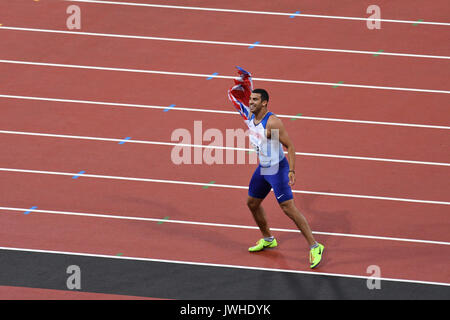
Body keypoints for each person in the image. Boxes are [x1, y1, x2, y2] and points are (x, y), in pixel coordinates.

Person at [228, 66, 324, 269]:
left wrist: (292, 170)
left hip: (278, 169)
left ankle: (315, 246)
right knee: (252, 203)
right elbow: (236, 96)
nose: (250, 102)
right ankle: (268, 238)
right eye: (250, 99)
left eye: (255, 100)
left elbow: (290, 146)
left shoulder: (273, 123)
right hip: (263, 169)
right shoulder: (248, 116)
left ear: (264, 103)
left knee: (288, 208)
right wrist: (245, 81)